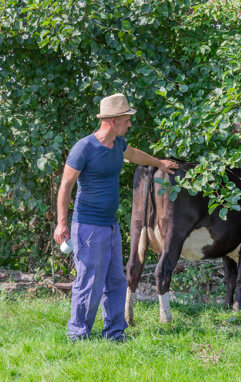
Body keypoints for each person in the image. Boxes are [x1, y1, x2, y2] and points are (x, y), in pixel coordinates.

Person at [53, 93, 178, 342]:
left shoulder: (118, 145)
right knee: (89, 282)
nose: (129, 124)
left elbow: (133, 154)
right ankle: (78, 334)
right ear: (112, 120)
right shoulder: (84, 148)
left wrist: (159, 163)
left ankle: (115, 332)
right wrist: (62, 222)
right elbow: (66, 185)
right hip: (88, 225)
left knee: (116, 281)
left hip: (110, 226)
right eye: (126, 119)